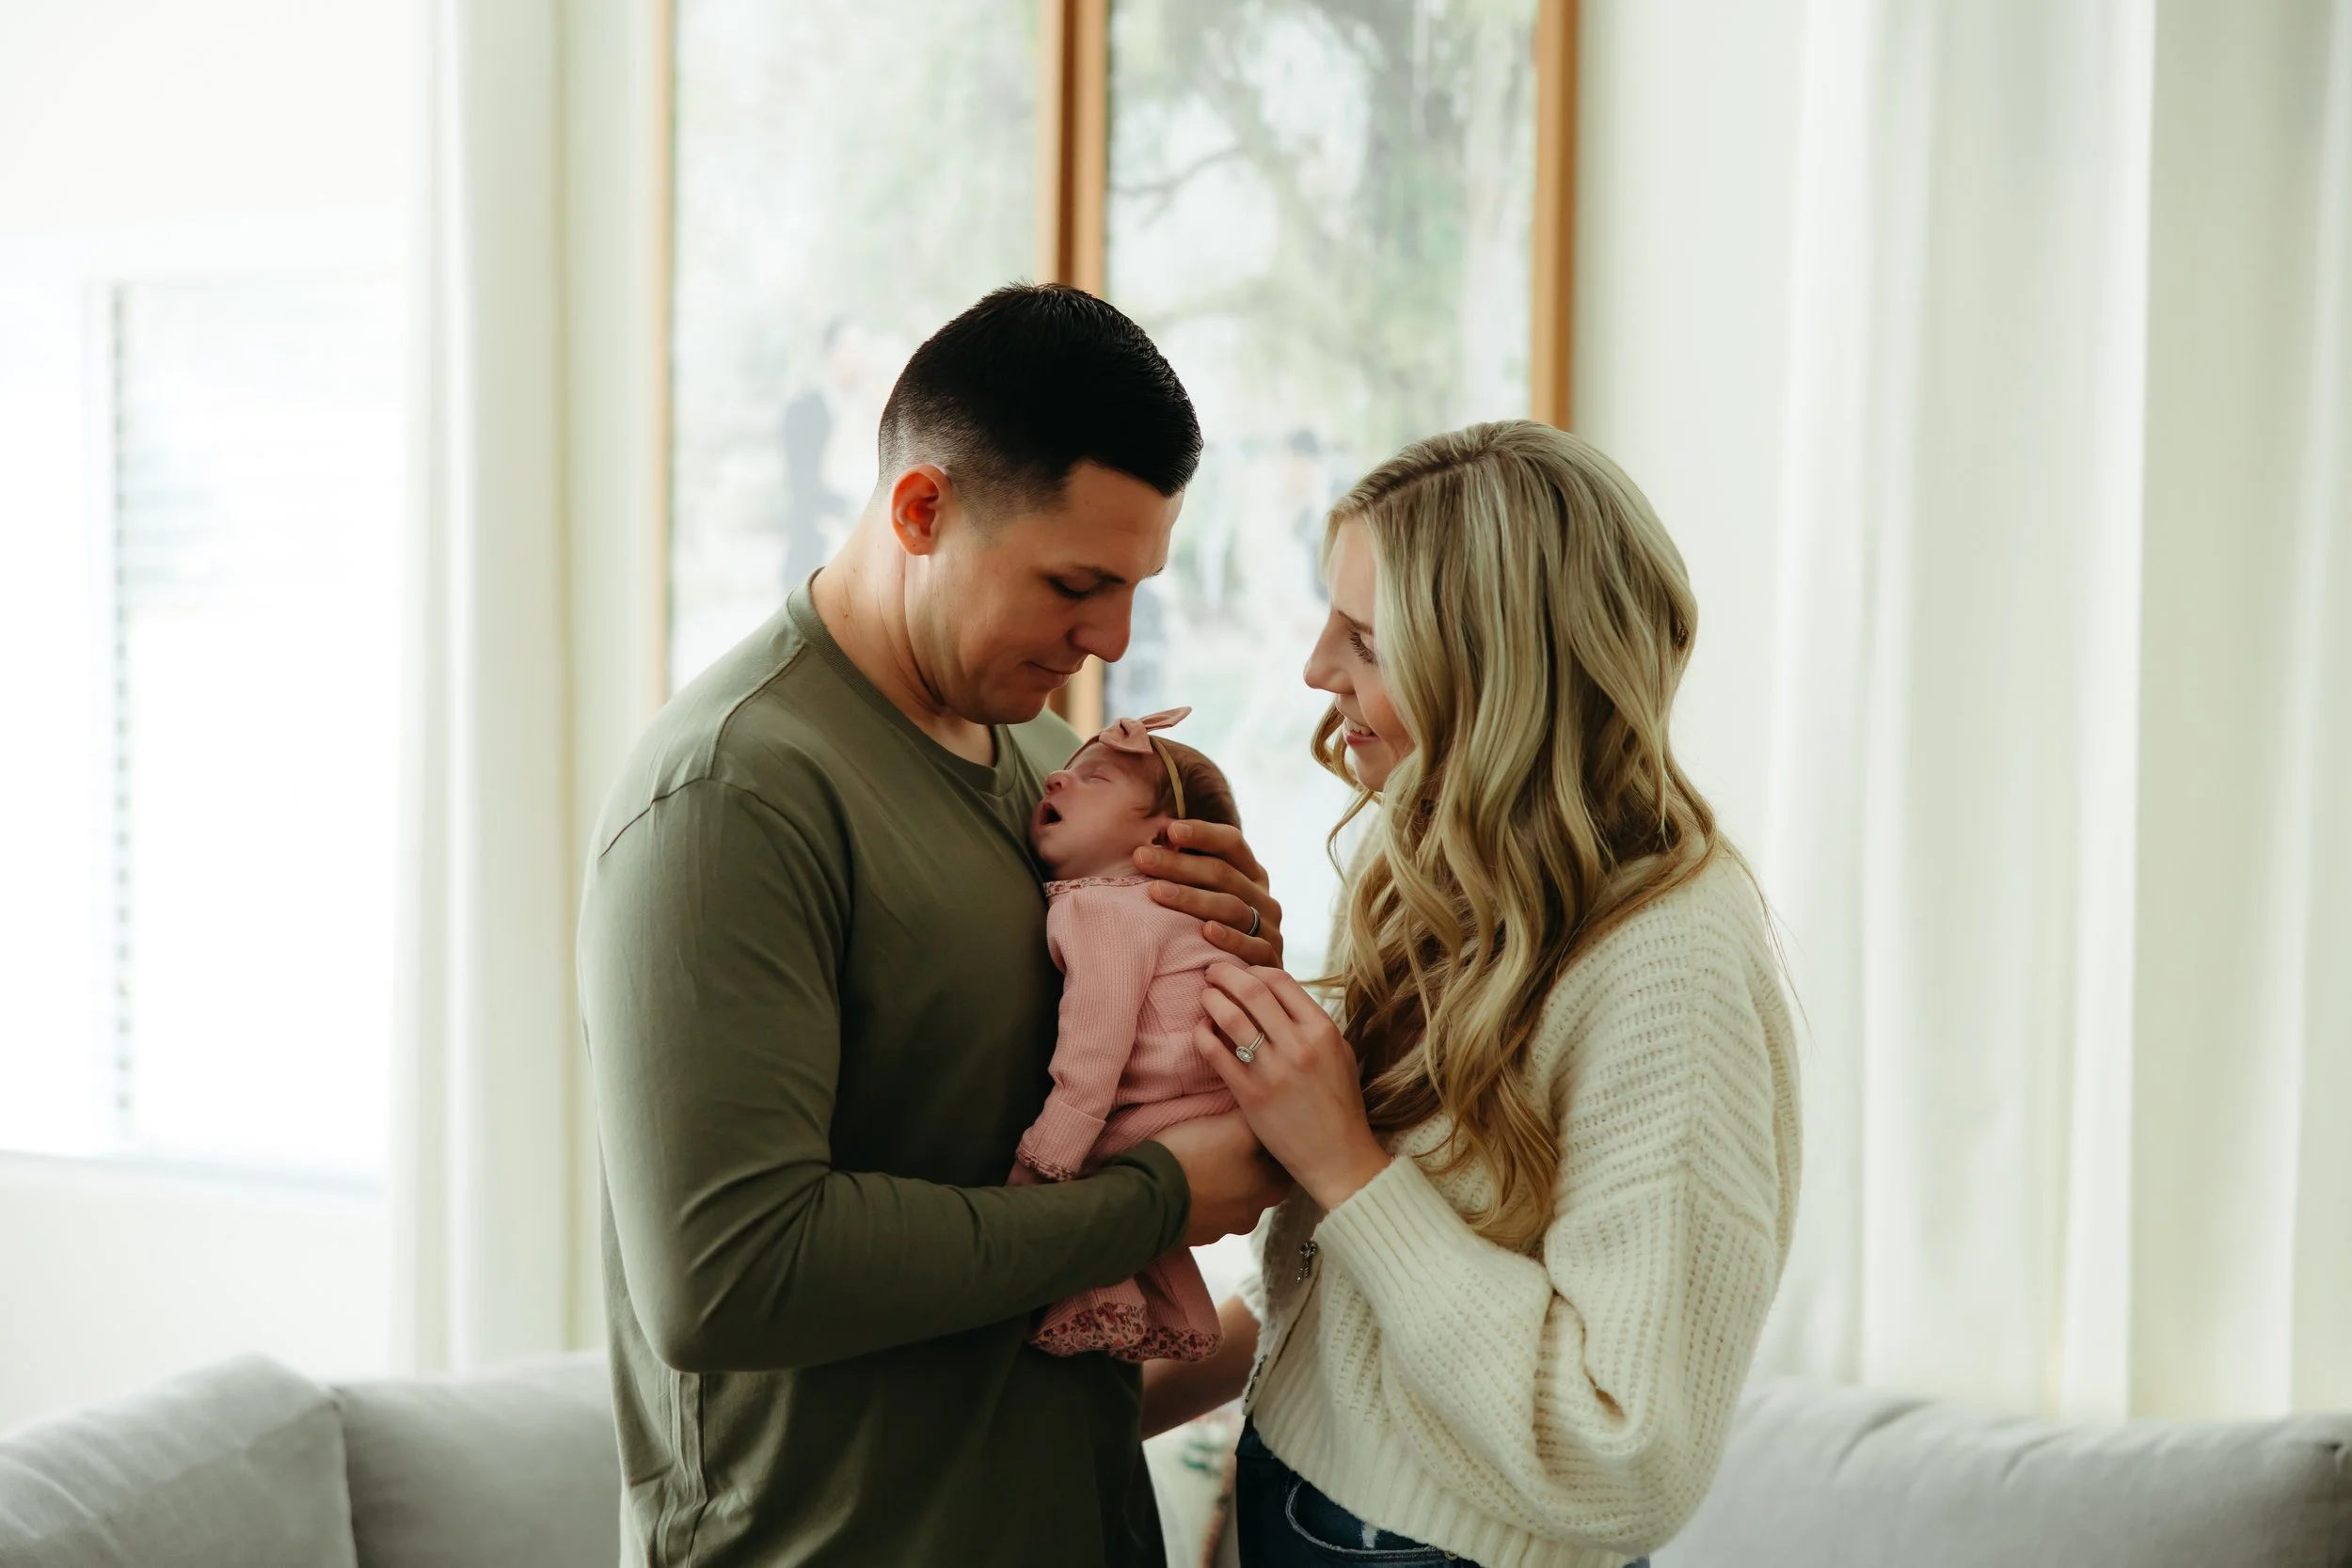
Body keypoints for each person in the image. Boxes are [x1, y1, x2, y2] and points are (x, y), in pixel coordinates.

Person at [580, 284, 1292, 1568]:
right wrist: (1163, 1194)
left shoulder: (1053, 764)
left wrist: (1230, 984)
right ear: (921, 508)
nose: (1111, 639)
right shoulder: (733, 794)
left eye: (1134, 586)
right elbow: (730, 1272)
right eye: (1076, 582)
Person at [1145, 421, 1804, 1568]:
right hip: (1299, 1509)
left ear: (1498, 668)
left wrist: (1343, 1159)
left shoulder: (1670, 964)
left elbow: (1627, 1451)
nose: (1312, 669)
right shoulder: (1434, 875)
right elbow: (1358, 1293)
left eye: (1365, 638)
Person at [1012, 706, 1246, 1365]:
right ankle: (1165, 1311)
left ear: (1167, 835)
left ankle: (1096, 1305)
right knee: (1140, 1197)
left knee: (1084, 1184)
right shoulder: (1166, 908)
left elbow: (1096, 1039)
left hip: (1176, 1099)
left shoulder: (1098, 908)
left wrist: (1048, 1148)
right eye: (1068, 770)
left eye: (1097, 778)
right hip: (1214, 1091)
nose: (1058, 778)